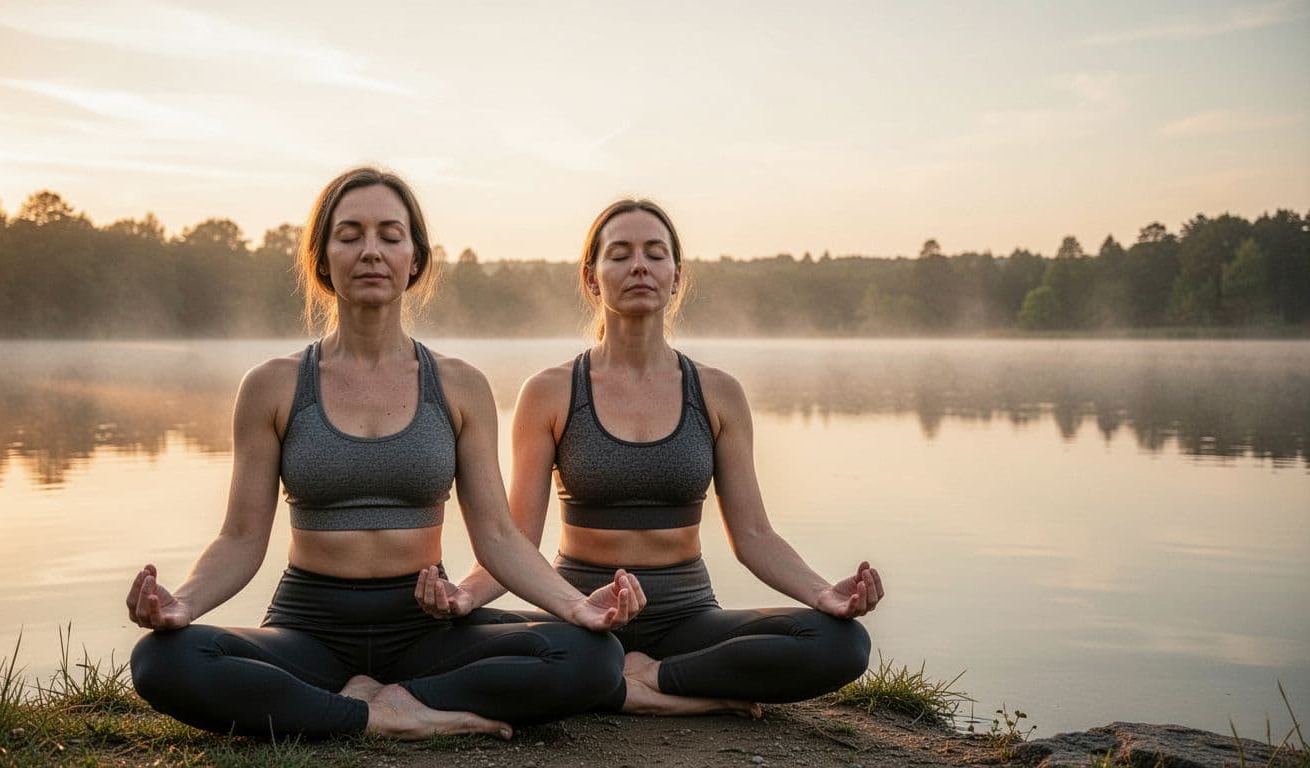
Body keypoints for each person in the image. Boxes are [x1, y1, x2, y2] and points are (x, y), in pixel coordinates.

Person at [125, 168, 645, 740]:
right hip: (309, 625)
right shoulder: (272, 386)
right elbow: (241, 539)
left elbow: (498, 536)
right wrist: (183, 606)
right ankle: (380, 717)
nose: (371, 251)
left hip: (423, 628)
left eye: (390, 235)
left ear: (415, 259)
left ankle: (389, 700)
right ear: (323, 259)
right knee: (162, 660)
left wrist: (577, 609)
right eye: (350, 235)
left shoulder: (458, 385)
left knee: (592, 656)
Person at [418, 199, 883, 717]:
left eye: (654, 253)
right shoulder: (549, 393)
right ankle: (670, 691)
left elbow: (754, 537)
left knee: (842, 643)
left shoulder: (717, 393)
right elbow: (516, 538)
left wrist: (825, 595)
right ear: (592, 279)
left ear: (676, 276)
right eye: (619, 254)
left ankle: (649, 677)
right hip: (581, 616)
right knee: (436, 637)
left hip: (687, 619)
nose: (639, 265)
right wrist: (463, 595)